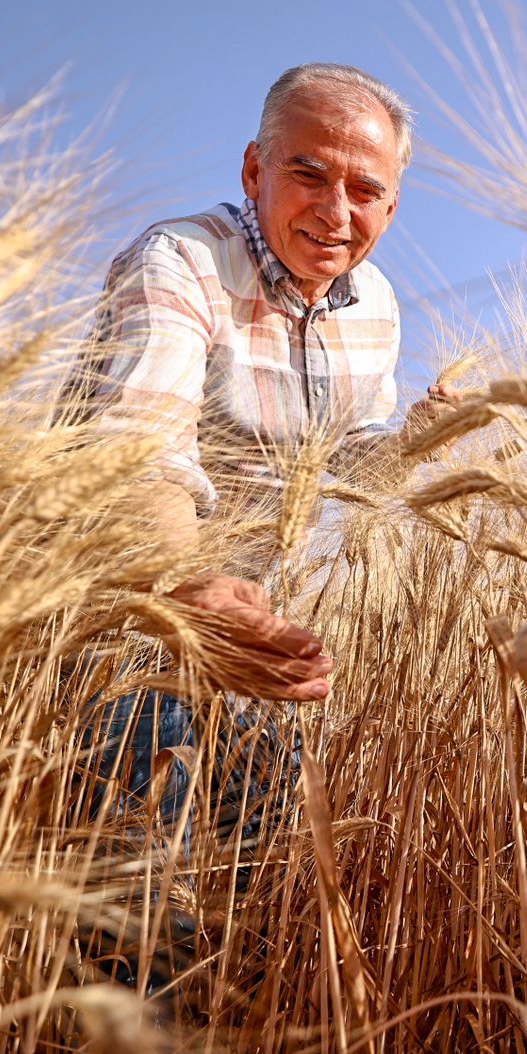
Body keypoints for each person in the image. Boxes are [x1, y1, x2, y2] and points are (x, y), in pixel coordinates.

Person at [64, 63, 451, 875]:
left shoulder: (375, 306)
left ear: (393, 205)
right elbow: (138, 448)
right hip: (129, 607)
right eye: (307, 172)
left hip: (253, 624)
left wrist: (413, 444)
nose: (335, 212)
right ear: (254, 170)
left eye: (365, 190)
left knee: (263, 885)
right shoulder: (179, 260)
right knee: (139, 896)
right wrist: (186, 588)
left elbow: (350, 470)